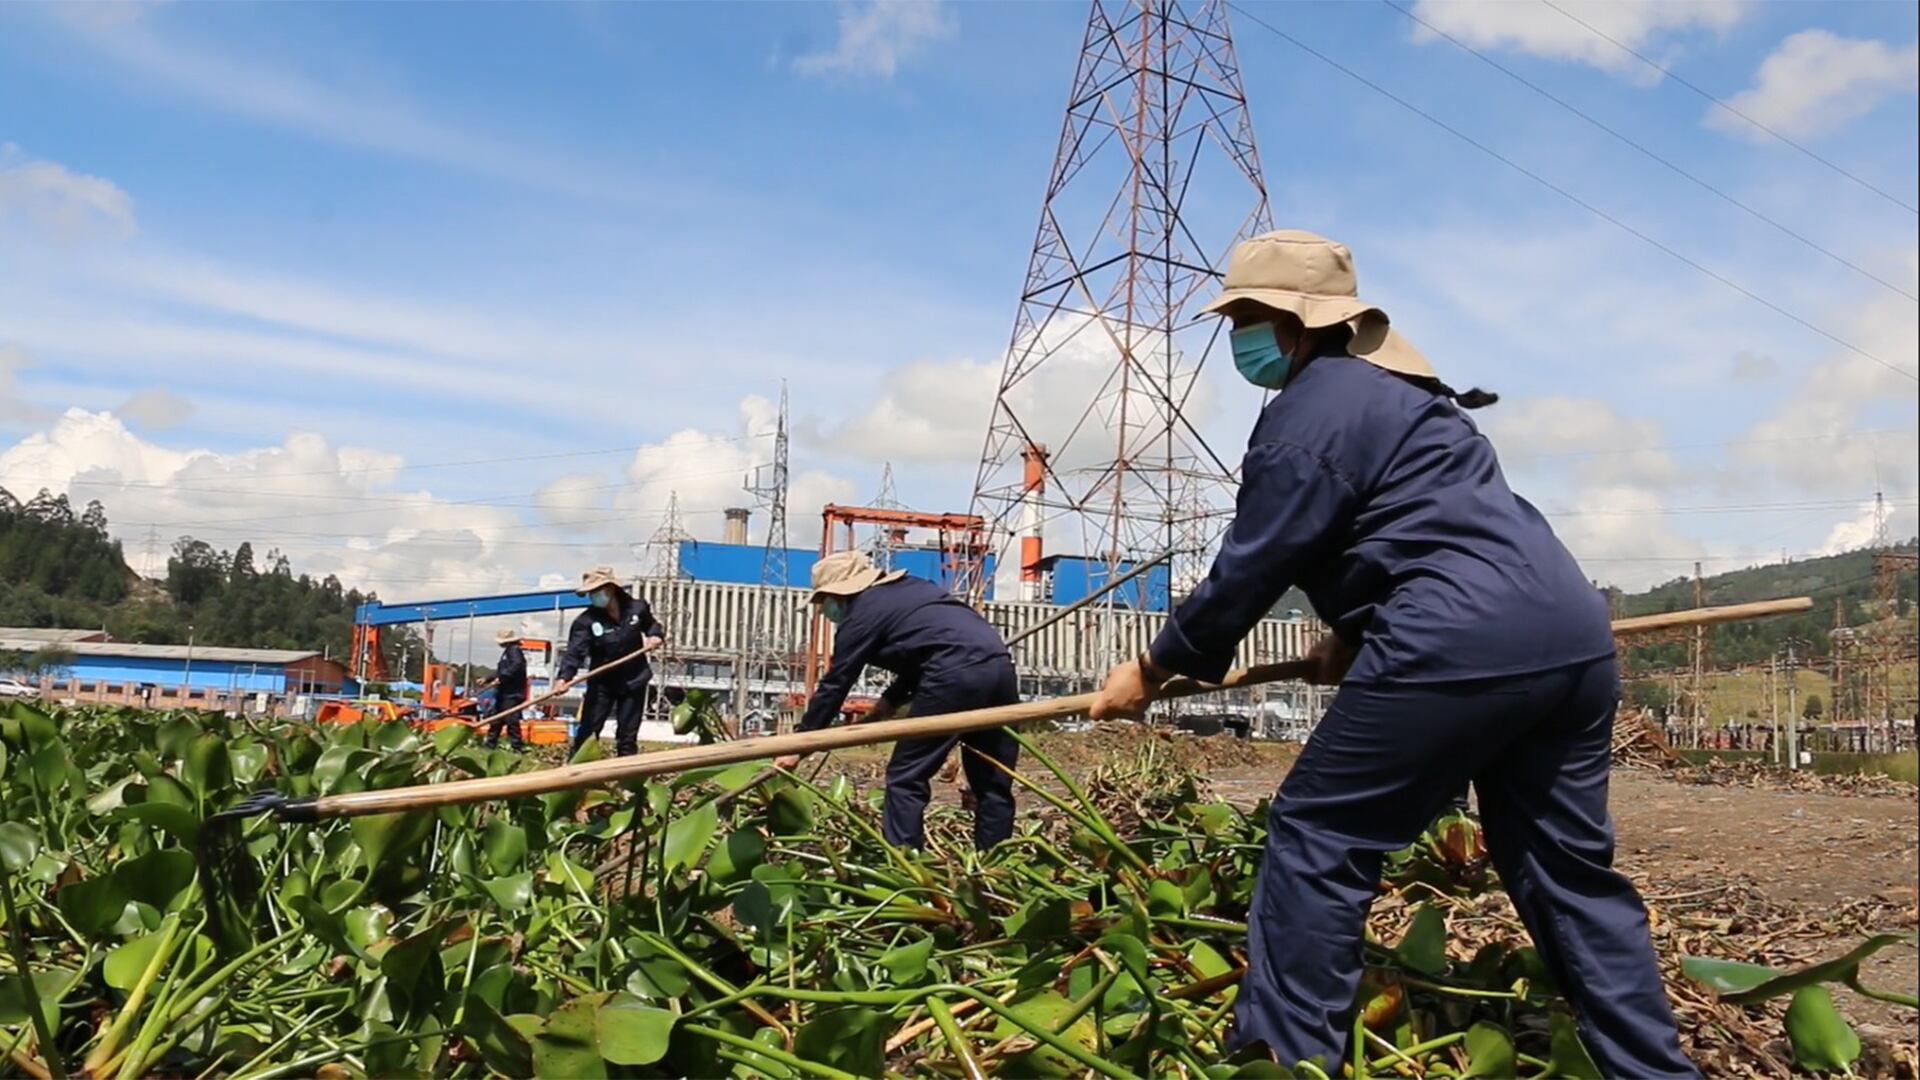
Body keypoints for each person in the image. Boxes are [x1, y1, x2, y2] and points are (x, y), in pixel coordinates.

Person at [1089, 230, 1695, 1078]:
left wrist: (1154, 669)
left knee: (1318, 834)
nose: (1239, 340)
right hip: (1569, 635)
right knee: (1565, 871)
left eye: (1247, 319)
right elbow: (1412, 530)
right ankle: (1654, 1071)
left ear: (1292, 324)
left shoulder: (1303, 415)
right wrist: (1351, 632)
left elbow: (1251, 566)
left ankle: (1288, 1062)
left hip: (1459, 632)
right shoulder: (1412, 404)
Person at [774, 551, 1020, 850]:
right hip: (1000, 669)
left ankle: (906, 863)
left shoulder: (862, 613)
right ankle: (997, 869)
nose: (825, 611)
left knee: (906, 777)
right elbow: (930, 650)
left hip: (955, 675)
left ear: (838, 594)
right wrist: (888, 702)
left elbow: (837, 683)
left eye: (824, 602)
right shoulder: (914, 590)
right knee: (993, 780)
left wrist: (801, 743)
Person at [555, 566, 664, 758]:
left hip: (634, 679)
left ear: (611, 589)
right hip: (602, 682)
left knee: (627, 735)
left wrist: (654, 636)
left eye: (597, 591)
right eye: (591, 593)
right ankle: (575, 774)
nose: (594, 596)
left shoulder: (637, 608)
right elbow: (574, 652)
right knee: (589, 730)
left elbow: (652, 625)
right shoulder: (586, 621)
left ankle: (626, 776)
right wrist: (564, 678)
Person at [483, 628, 529, 750]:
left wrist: (502, 677)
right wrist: (488, 679)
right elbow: (501, 671)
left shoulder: (514, 651)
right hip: (504, 693)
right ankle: (490, 744)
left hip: (512, 693)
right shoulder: (507, 652)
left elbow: (516, 666)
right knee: (497, 719)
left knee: (511, 720)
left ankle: (517, 746)